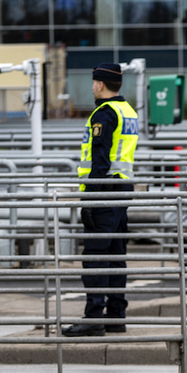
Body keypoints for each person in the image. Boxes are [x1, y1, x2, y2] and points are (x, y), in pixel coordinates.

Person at [64, 63, 139, 337]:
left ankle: (93, 316)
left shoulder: (104, 113)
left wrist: (90, 196)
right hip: (122, 188)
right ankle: (116, 315)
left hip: (103, 188)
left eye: (94, 82)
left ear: (101, 84)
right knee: (116, 253)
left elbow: (99, 158)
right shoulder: (128, 110)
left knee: (95, 254)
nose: (92, 86)